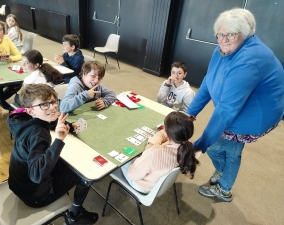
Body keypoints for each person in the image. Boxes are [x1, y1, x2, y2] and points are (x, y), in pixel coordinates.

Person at [185, 8, 284, 202]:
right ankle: (222, 172)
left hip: (255, 113)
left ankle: (224, 190)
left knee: (229, 149)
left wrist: (198, 145)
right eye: (220, 34)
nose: (224, 39)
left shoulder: (249, 60)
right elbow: (209, 80)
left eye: (231, 34)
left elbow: (226, 110)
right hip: (238, 104)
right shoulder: (221, 50)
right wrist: (190, 112)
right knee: (215, 146)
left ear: (246, 34)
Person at [7, 84, 99, 224]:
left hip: (19, 186)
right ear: (31, 111)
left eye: (54, 101)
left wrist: (69, 125)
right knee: (85, 173)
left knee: (64, 162)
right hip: (36, 196)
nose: (53, 107)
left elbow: (48, 118)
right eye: (44, 104)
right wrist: (59, 140)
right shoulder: (38, 134)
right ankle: (76, 214)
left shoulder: (22, 118)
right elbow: (37, 174)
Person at [121, 111, 199, 193]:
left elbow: (132, 175)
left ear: (167, 134)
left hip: (143, 186)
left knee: (123, 160)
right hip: (158, 185)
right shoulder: (185, 147)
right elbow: (162, 136)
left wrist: (149, 148)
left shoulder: (154, 152)